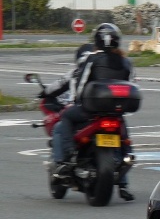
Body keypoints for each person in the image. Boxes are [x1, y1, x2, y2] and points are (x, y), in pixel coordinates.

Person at [54, 23, 136, 201]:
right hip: (116, 112)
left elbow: (81, 82)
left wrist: (76, 101)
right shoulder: (126, 61)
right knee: (124, 142)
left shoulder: (92, 58)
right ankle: (124, 185)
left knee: (66, 117)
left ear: (97, 41)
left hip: (91, 111)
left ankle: (67, 156)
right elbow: (131, 84)